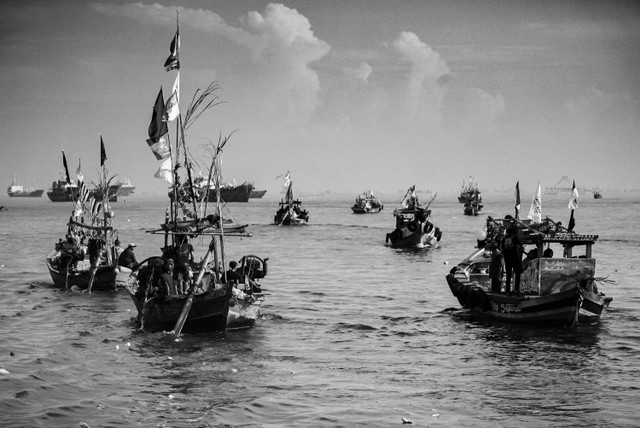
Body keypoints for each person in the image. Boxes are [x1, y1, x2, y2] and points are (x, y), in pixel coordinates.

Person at [501, 225, 523, 294]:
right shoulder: (515, 237)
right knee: (518, 273)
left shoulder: (504, 238)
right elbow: (519, 246)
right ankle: (516, 289)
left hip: (507, 258)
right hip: (515, 257)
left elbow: (502, 248)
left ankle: (507, 290)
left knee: (508, 274)